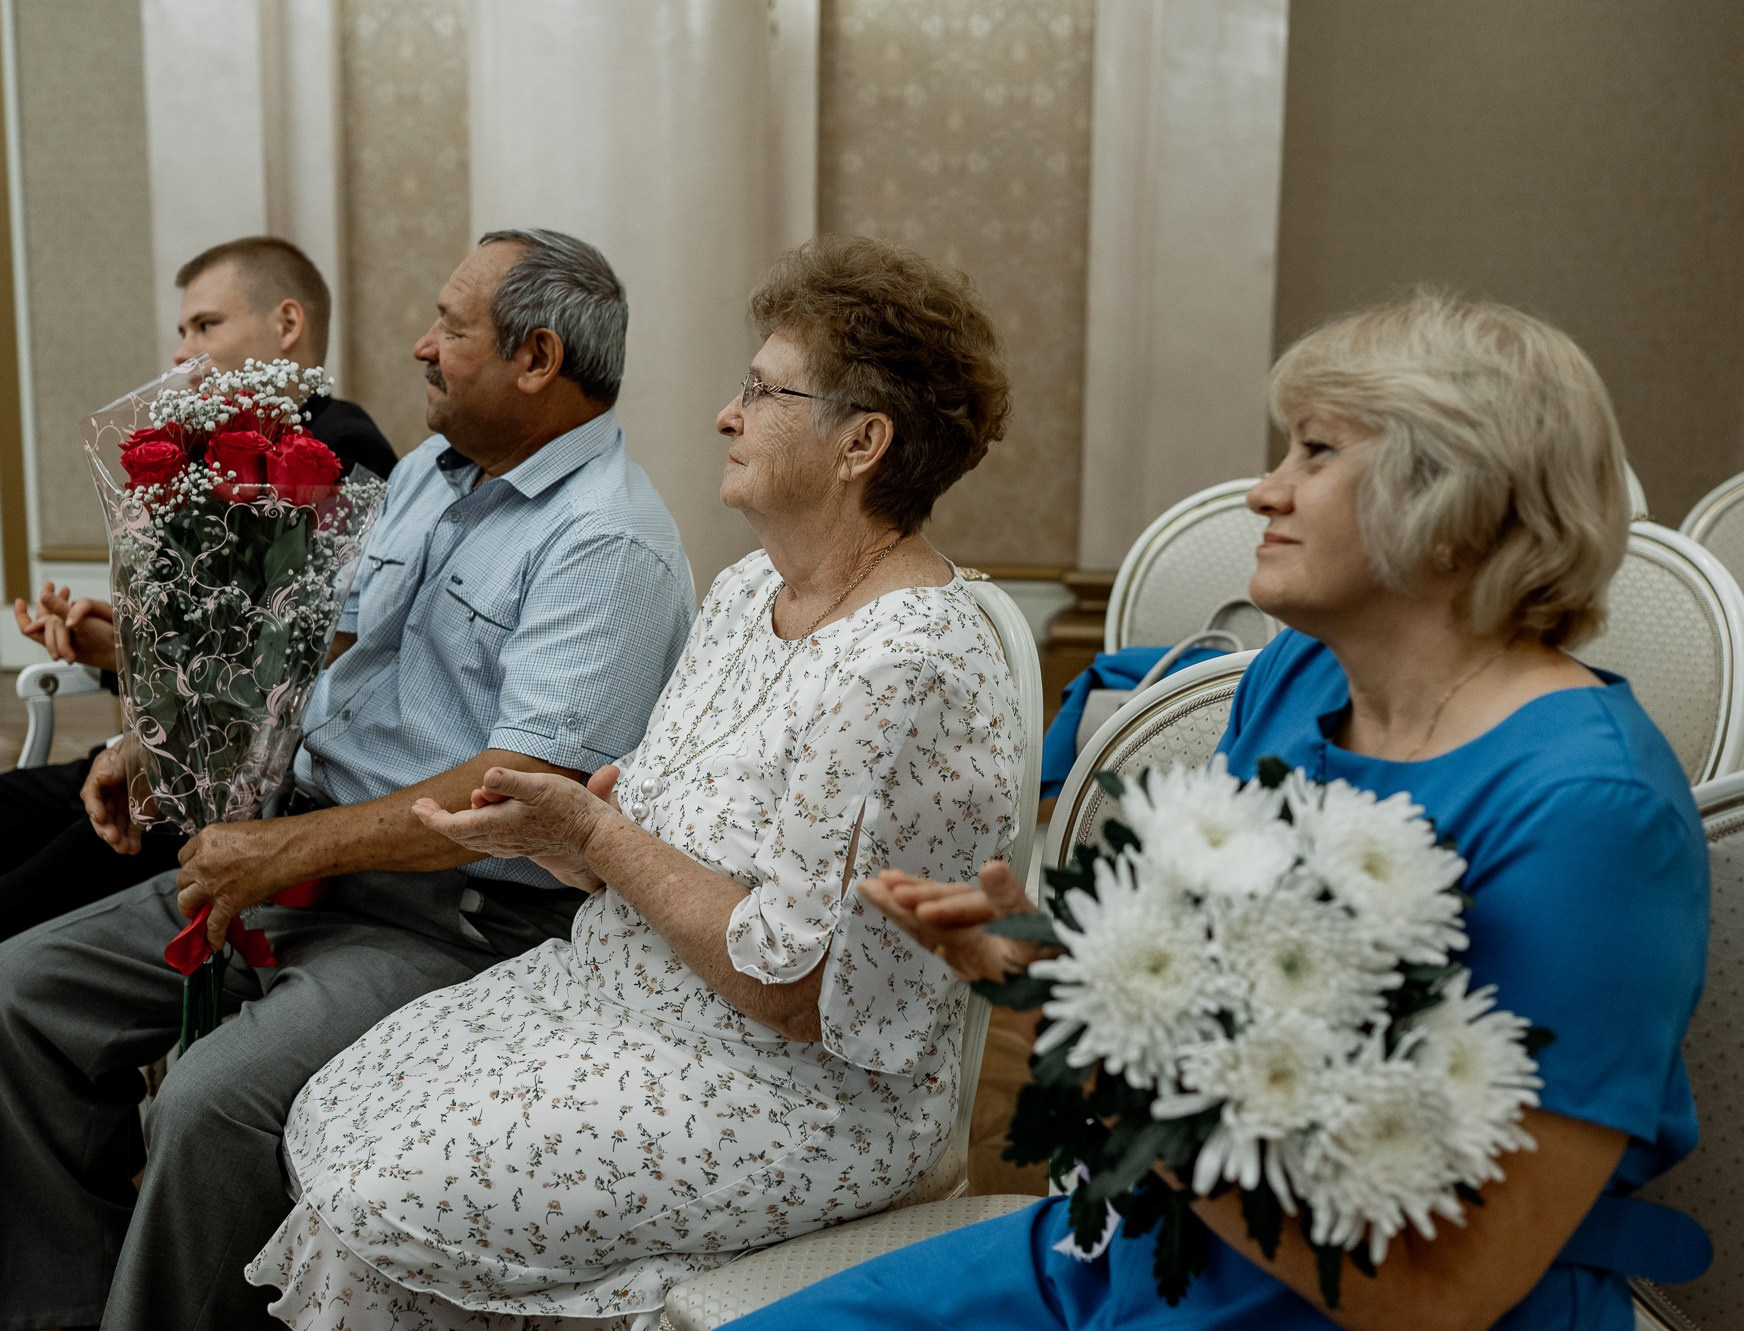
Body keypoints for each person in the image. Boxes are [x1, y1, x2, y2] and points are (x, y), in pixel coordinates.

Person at [727, 287, 1709, 1331]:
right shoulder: (1295, 676)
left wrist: (1092, 1038)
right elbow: (1209, 998)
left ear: (1457, 497)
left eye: (1315, 452)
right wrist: (1057, 970)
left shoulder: (1595, 815)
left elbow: (1445, 1291)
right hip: (1142, 1240)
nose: (1263, 492)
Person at [239, 234, 1028, 1330]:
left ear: (862, 441)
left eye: (763, 391)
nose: (725, 414)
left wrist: (599, 838)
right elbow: (657, 835)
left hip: (790, 1087)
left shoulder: (904, 667)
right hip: (622, 994)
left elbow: (797, 988)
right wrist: (576, 834)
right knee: (333, 1112)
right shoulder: (749, 587)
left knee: (380, 1194)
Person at [0, 228, 697, 1331]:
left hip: (453, 920)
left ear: (537, 359)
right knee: (13, 995)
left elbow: (516, 790)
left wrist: (288, 847)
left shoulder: (607, 541)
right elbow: (315, 653)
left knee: (208, 1105)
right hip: (301, 862)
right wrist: (168, 738)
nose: (420, 345)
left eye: (450, 326)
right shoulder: (430, 475)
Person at [0, 235, 396, 1063]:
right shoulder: (207, 453)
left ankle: (56, 1096)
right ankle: (47, 1087)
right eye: (181, 330)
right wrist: (114, 642)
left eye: (205, 324)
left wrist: (140, 669)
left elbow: (290, 673)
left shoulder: (338, 452)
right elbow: (222, 637)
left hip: (211, 797)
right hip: (142, 761)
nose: (183, 351)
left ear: (287, 323)